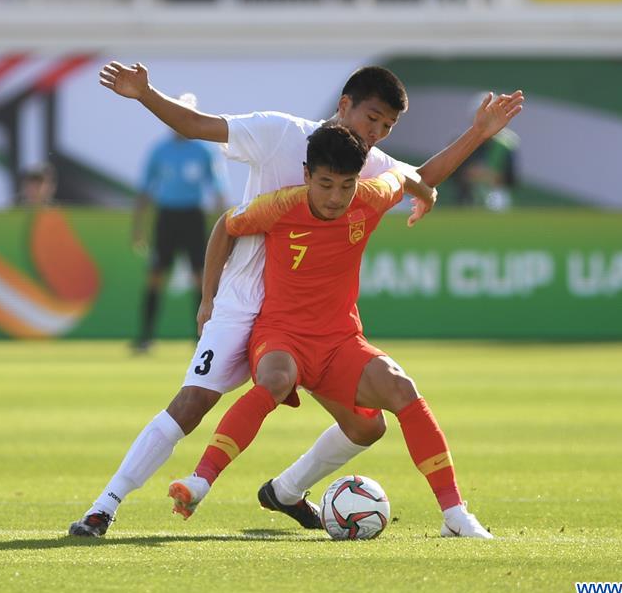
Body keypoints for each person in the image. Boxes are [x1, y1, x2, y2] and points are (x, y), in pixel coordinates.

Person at [67, 60, 522, 537]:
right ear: (344, 105)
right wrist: (145, 94)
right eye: (372, 119)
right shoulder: (279, 132)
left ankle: (285, 491)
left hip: (316, 322)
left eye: (388, 126)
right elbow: (196, 126)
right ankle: (105, 505)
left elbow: (419, 175)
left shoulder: (365, 163)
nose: (378, 134)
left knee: (367, 427)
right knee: (192, 403)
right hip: (246, 303)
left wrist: (475, 138)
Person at [168, 124, 491, 538]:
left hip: (340, 342)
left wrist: (429, 190)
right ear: (306, 176)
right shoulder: (280, 206)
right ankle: (200, 481)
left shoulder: (371, 197)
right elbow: (225, 228)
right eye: (325, 185)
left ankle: (454, 515)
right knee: (276, 379)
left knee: (394, 398)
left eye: (346, 185)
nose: (336, 197)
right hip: (280, 335)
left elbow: (409, 176)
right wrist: (207, 300)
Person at [131, 93, 226, 352]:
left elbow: (218, 189)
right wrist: (138, 227)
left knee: (201, 279)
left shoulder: (204, 149)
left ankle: (203, 337)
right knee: (155, 276)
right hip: (167, 217)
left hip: (193, 217)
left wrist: (226, 225)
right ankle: (145, 337)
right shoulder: (159, 150)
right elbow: (145, 190)